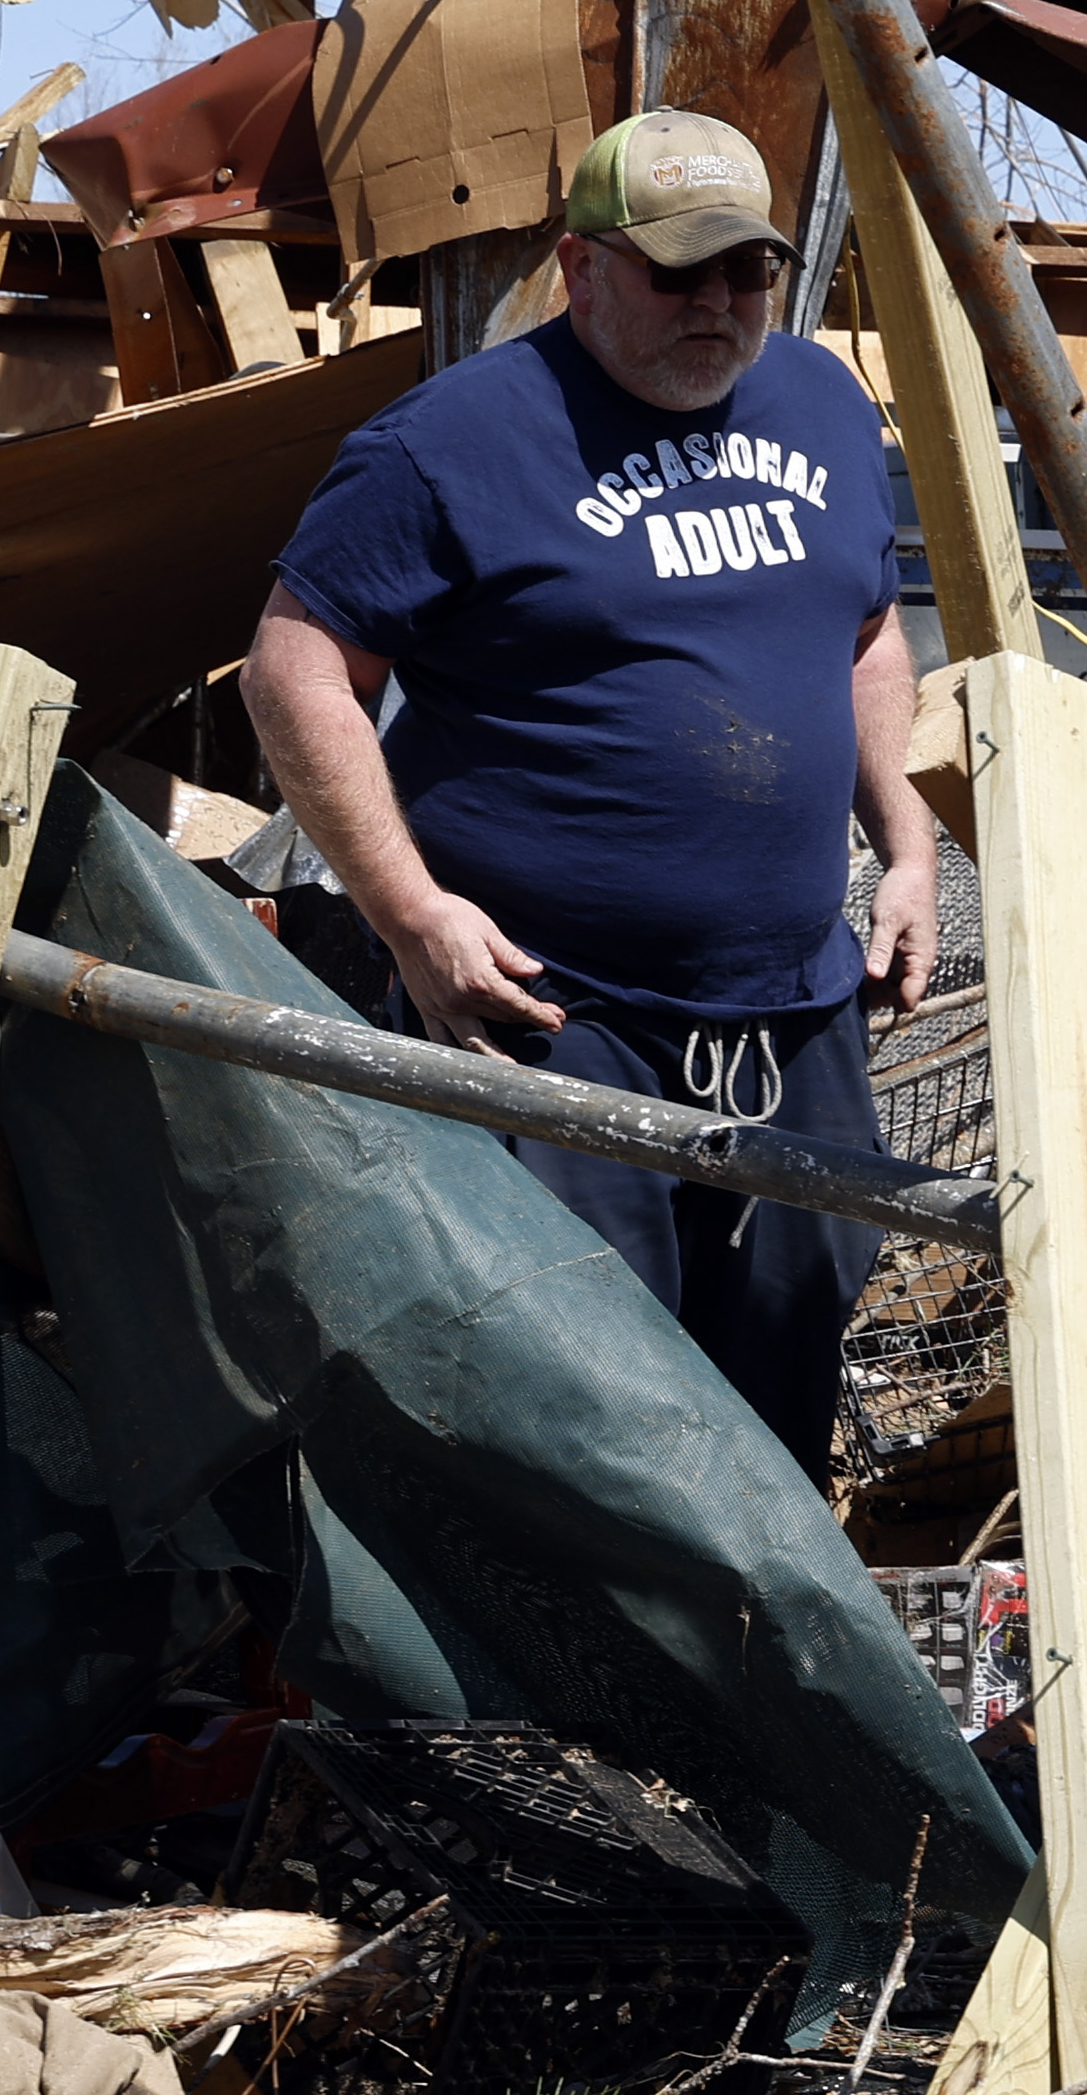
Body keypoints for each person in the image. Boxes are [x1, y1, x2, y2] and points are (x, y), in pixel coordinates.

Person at [244, 108, 938, 1474]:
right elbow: (292, 669)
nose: (721, 303)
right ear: (579, 262)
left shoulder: (820, 400)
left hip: (794, 1013)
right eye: (677, 271)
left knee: (785, 1382)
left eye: (747, 269)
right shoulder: (451, 443)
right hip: (552, 1013)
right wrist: (409, 913)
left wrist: (904, 841)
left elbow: (867, 632)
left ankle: (759, 1678)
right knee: (585, 1410)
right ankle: (568, 1689)